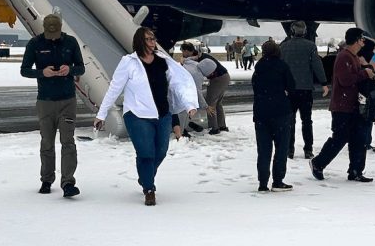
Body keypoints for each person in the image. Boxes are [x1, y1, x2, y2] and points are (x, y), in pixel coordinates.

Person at [95, 28, 199, 206]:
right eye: (148, 39)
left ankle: (145, 176)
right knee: (146, 153)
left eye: (153, 39)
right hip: (137, 115)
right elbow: (114, 88)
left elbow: (178, 84)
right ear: (139, 41)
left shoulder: (162, 60)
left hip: (163, 114)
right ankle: (149, 189)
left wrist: (189, 105)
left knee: (160, 152)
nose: (152, 42)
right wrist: (101, 114)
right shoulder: (128, 62)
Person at [20, 14, 86, 197]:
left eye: (56, 34)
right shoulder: (35, 44)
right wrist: (42, 73)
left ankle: (68, 183)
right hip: (45, 101)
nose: (53, 38)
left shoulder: (71, 42)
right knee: (47, 142)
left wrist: (70, 70)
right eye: (50, 35)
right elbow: (24, 70)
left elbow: (81, 67)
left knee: (68, 142)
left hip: (67, 100)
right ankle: (47, 179)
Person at [310, 27, 375, 182]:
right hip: (342, 105)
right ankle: (318, 163)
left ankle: (356, 170)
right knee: (340, 137)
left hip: (354, 104)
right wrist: (365, 73)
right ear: (356, 40)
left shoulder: (354, 56)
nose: (363, 42)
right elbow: (345, 80)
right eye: (362, 39)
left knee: (358, 138)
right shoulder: (343, 57)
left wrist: (365, 67)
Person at [280, 21, 329, 159]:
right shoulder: (310, 46)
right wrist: (324, 83)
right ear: (305, 32)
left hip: (289, 90)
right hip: (305, 89)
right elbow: (317, 65)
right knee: (307, 121)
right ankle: (308, 149)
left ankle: (289, 149)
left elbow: (280, 67)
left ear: (292, 31)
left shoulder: (284, 47)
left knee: (290, 121)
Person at [251, 40, 296, 192]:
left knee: (263, 149)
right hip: (280, 111)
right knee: (281, 147)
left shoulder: (259, 67)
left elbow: (255, 87)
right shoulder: (282, 66)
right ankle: (278, 180)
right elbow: (292, 86)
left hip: (261, 112)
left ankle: (262, 182)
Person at [180, 42, 231, 134]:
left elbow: (197, 90)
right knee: (218, 103)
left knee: (211, 103)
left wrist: (205, 106)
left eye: (182, 51)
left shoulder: (199, 60)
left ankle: (215, 128)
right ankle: (221, 126)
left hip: (218, 79)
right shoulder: (199, 56)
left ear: (186, 51)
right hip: (224, 77)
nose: (182, 54)